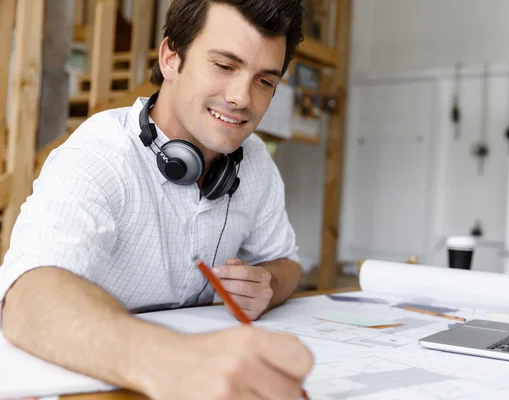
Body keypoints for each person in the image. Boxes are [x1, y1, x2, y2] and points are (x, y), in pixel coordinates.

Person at [0, 1, 314, 399]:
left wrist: (268, 282)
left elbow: (287, 263)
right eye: (224, 66)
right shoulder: (100, 154)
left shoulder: (254, 162)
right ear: (170, 58)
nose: (241, 98)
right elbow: (29, 296)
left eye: (264, 81)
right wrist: (176, 362)